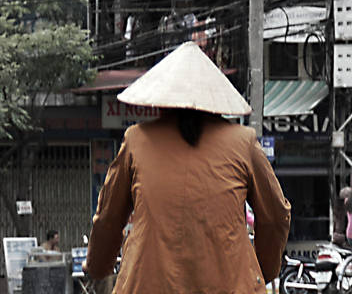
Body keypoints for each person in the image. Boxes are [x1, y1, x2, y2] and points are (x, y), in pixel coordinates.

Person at [84, 42, 291, 293]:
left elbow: (108, 217)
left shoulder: (137, 140)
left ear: (162, 98)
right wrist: (262, 269)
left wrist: (98, 266)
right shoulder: (242, 142)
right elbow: (276, 214)